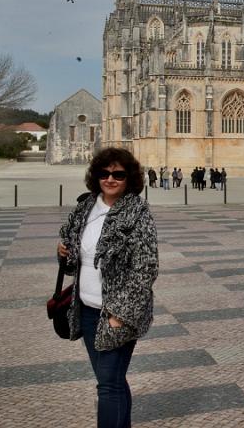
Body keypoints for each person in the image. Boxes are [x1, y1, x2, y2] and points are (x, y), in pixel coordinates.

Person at [57, 147, 158, 428]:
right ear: (96, 175)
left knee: (107, 387)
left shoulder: (137, 212)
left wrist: (119, 315)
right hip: (86, 310)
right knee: (111, 381)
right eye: (104, 173)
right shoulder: (85, 208)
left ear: (129, 179)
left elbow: (146, 267)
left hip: (117, 315)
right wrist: (63, 252)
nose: (110, 179)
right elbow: (71, 262)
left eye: (118, 174)